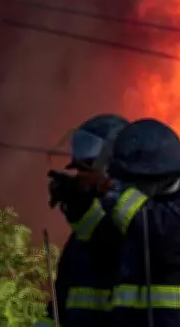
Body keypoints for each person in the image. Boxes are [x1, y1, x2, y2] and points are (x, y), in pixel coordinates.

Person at [97, 118, 180, 326]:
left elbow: (152, 227)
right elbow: (102, 245)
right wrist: (79, 206)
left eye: (132, 178)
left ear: (159, 174)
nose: (129, 185)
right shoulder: (140, 211)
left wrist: (110, 191)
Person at [35, 114, 130, 327]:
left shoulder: (142, 227)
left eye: (86, 170)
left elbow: (109, 254)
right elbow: (61, 304)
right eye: (78, 171)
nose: (79, 179)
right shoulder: (80, 240)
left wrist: (83, 210)